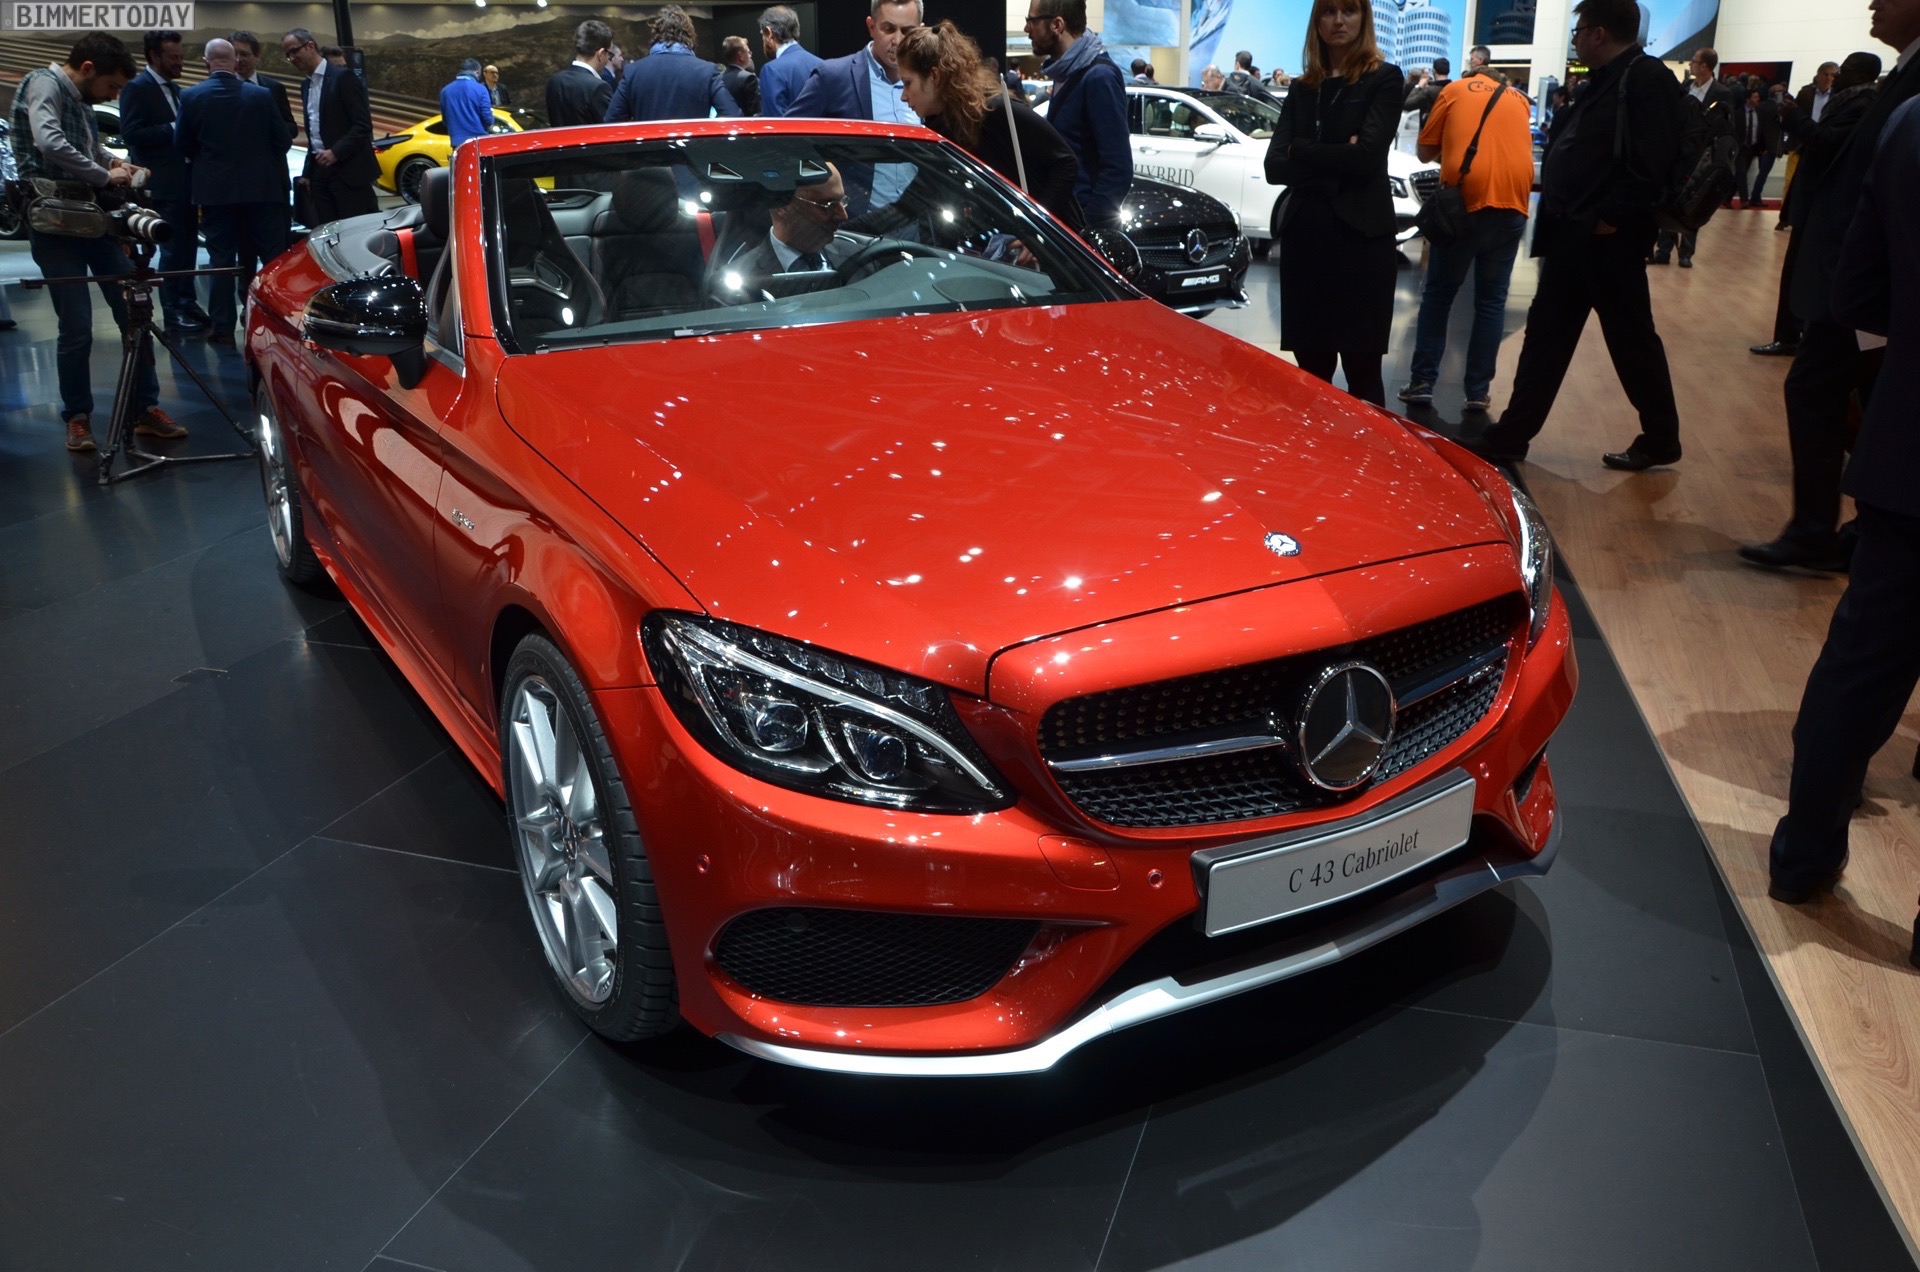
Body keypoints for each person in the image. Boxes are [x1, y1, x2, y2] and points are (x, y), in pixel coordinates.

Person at [1764, 94, 1920, 975]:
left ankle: (1803, 857)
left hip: (1909, 450)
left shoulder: (1910, 122)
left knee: (1860, 665)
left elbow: (1859, 294)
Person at [1460, 0, 1685, 472]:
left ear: (1599, 33)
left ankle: (1662, 438)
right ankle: (1512, 435)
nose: (1575, 38)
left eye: (1579, 29)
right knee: (1549, 335)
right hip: (1575, 236)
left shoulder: (1645, 77)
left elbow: (1654, 158)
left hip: (1608, 239)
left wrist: (1613, 217)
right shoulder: (1605, 80)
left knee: (1630, 341)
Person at [1739, 0, 1920, 572]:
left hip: (1875, 291)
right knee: (1847, 395)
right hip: (1865, 286)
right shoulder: (1901, 77)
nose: (1874, 3)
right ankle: (1853, 530)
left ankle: (1827, 531)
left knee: (1817, 389)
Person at [9, 33, 180, 452]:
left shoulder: (79, 98)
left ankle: (144, 408)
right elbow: (49, 142)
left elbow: (84, 144)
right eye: (112, 86)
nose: (114, 94)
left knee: (134, 314)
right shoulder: (44, 83)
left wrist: (115, 161)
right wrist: (105, 175)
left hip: (94, 220)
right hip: (56, 226)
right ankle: (78, 417)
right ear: (88, 68)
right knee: (76, 328)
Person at [1263, 0, 1403, 408]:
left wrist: (1302, 150)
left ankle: (1371, 451)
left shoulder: (1384, 79)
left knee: (1364, 372)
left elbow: (1367, 158)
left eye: (1349, 11)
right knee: (1311, 374)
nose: (1338, 21)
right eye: (1328, 12)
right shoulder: (1303, 88)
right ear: (1317, 21)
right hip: (1307, 240)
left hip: (1362, 241)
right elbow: (1274, 166)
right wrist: (1340, 153)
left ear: (1364, 18)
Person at [1398, 65, 1535, 414]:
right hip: (1514, 203)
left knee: (1439, 295)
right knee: (1491, 302)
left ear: (1472, 76)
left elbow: (1424, 152)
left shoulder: (1455, 90)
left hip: (1466, 202)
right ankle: (1477, 392)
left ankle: (1422, 383)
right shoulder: (1519, 99)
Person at [1752, 52, 1883, 359]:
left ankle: (1793, 335)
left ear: (1861, 77)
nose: (1835, 78)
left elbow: (1826, 140)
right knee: (1799, 270)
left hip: (1824, 203)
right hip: (1814, 199)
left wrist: (1795, 118)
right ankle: (1794, 332)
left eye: (1842, 72)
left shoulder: (1861, 105)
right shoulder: (1843, 100)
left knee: (1802, 270)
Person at [896, 20, 1083, 226]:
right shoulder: (943, 130)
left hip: (1057, 240)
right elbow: (913, 201)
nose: (903, 96)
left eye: (907, 83)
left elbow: (1065, 162)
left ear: (934, 76)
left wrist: (1038, 226)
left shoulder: (996, 110)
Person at [177, 39, 293, 347]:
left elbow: (181, 145)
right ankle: (275, 323)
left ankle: (223, 327)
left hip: (215, 193)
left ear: (206, 63)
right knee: (271, 260)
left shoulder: (190, 96)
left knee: (221, 261)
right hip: (263, 191)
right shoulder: (261, 95)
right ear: (234, 62)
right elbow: (282, 140)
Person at [785, 0, 923, 215]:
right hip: (852, 223)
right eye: (888, 29)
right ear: (871, 26)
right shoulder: (833, 76)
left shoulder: (928, 82)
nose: (897, 40)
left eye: (907, 31)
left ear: (920, 32)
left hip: (915, 220)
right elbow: (787, 140)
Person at [118, 29, 208, 334]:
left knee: (187, 248)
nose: (179, 62)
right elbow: (132, 133)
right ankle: (172, 312)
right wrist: (174, 127)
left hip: (187, 182)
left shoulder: (178, 90)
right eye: (173, 57)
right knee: (171, 250)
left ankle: (187, 302)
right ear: (153, 56)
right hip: (161, 184)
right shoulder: (136, 88)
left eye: (181, 57)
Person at [1025, 0, 1131, 228]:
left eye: (1031, 21)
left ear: (1057, 25)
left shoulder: (1098, 77)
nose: (1027, 29)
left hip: (1082, 233)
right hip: (1065, 223)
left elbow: (1118, 170)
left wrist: (1086, 230)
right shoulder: (1065, 72)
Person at [712, 162, 859, 300]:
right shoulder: (736, 285)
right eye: (828, 205)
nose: (843, 216)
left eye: (842, 201)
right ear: (781, 206)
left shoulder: (860, 259)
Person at [1650, 47, 1735, 268]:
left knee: (1693, 201)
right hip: (1680, 153)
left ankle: (1686, 252)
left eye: (1694, 61)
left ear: (1704, 66)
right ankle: (1663, 249)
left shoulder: (1722, 93)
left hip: (1702, 155)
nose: (1690, 64)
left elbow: (1727, 126)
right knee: (1670, 198)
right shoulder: (1687, 87)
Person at [283, 28, 378, 223]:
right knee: (328, 231)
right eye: (288, 55)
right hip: (320, 174)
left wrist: (335, 152)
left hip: (349, 171)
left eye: (294, 51)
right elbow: (315, 134)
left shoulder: (343, 78)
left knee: (354, 231)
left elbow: (362, 125)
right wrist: (308, 173)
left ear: (310, 46)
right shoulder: (306, 85)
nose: (292, 58)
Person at [605, 7, 742, 123]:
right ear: (690, 35)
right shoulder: (707, 71)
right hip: (694, 147)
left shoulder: (633, 72)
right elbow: (733, 116)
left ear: (656, 34)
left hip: (649, 147)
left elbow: (612, 120)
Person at [547, 20, 617, 128]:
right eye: (609, 54)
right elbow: (610, 129)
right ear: (601, 54)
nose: (609, 59)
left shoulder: (554, 81)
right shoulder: (598, 87)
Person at [758, 7, 822, 118]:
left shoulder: (772, 70)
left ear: (768, 32)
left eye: (762, 35)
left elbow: (775, 122)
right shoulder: (822, 65)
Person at [230, 31, 297, 134]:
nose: (238, 59)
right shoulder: (223, 87)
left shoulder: (275, 88)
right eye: (234, 54)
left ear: (257, 56)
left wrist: (267, 127)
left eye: (244, 54)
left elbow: (292, 128)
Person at [1733, 86, 1783, 207]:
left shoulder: (1760, 111)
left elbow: (1761, 130)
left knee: (1741, 173)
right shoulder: (1738, 114)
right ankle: (1747, 200)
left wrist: (1762, 146)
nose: (1758, 99)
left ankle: (1729, 197)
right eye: (1755, 97)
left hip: (1755, 146)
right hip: (1747, 147)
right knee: (1744, 172)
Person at [440, 58, 495, 150]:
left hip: (457, 143)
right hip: (478, 142)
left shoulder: (445, 91)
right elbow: (487, 119)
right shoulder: (481, 89)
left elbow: (445, 120)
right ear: (477, 72)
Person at [720, 36, 762, 116]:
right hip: (745, 123)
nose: (750, 55)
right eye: (748, 52)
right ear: (741, 56)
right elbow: (755, 113)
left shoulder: (720, 78)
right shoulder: (749, 78)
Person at [1402, 55, 1450, 124]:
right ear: (1448, 71)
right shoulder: (1453, 89)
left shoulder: (1428, 91)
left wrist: (1419, 86)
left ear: (1434, 71)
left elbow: (1408, 104)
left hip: (1429, 127)